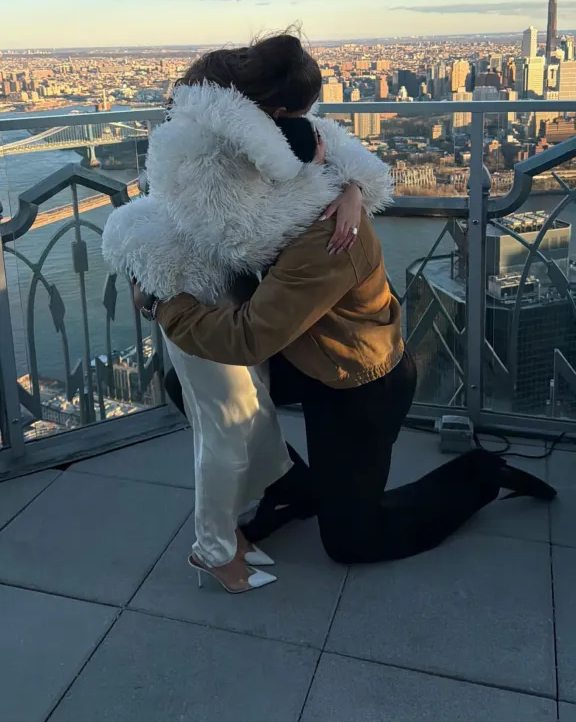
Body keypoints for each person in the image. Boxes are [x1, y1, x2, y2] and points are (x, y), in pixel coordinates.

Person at [135, 115, 556, 566]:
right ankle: (295, 487)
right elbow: (327, 140)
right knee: (190, 387)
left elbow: (248, 338)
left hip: (360, 383)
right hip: (312, 355)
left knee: (353, 541)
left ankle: (480, 473)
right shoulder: (297, 200)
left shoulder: (325, 239)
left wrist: (161, 307)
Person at [103, 32, 394, 590]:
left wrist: (352, 186)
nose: (304, 126)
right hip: (189, 290)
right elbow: (246, 234)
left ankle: (239, 526)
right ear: (275, 111)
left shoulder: (246, 126)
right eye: (296, 117)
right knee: (227, 426)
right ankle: (213, 550)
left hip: (225, 293)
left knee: (250, 415)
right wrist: (328, 182)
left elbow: (347, 156)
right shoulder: (201, 150)